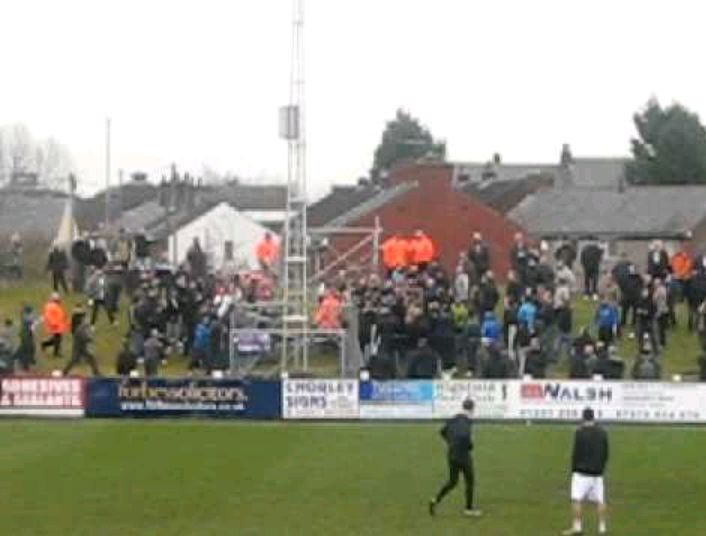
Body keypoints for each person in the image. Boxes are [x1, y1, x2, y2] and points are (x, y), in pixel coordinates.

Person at [429, 399, 482, 518]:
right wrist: (470, 446)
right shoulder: (467, 421)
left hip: (451, 454)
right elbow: (464, 436)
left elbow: (442, 431)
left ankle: (435, 500)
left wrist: (450, 442)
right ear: (472, 409)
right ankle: (468, 509)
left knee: (452, 481)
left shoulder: (454, 418)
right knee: (470, 480)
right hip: (463, 455)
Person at [562, 407, 609, 536]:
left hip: (581, 472)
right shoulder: (602, 432)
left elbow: (576, 453)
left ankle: (577, 527)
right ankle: (602, 528)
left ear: (583, 418)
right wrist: (601, 468)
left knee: (577, 500)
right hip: (597, 473)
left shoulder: (579, 432)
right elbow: (605, 452)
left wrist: (574, 468)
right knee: (600, 500)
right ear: (593, 417)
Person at [40, 293, 69, 358]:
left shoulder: (56, 306)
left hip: (58, 325)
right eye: (57, 299)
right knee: (57, 339)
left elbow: (60, 315)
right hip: (55, 325)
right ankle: (56, 353)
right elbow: (48, 316)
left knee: (57, 339)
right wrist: (53, 323)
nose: (59, 300)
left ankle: (45, 344)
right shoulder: (50, 306)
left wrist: (65, 322)